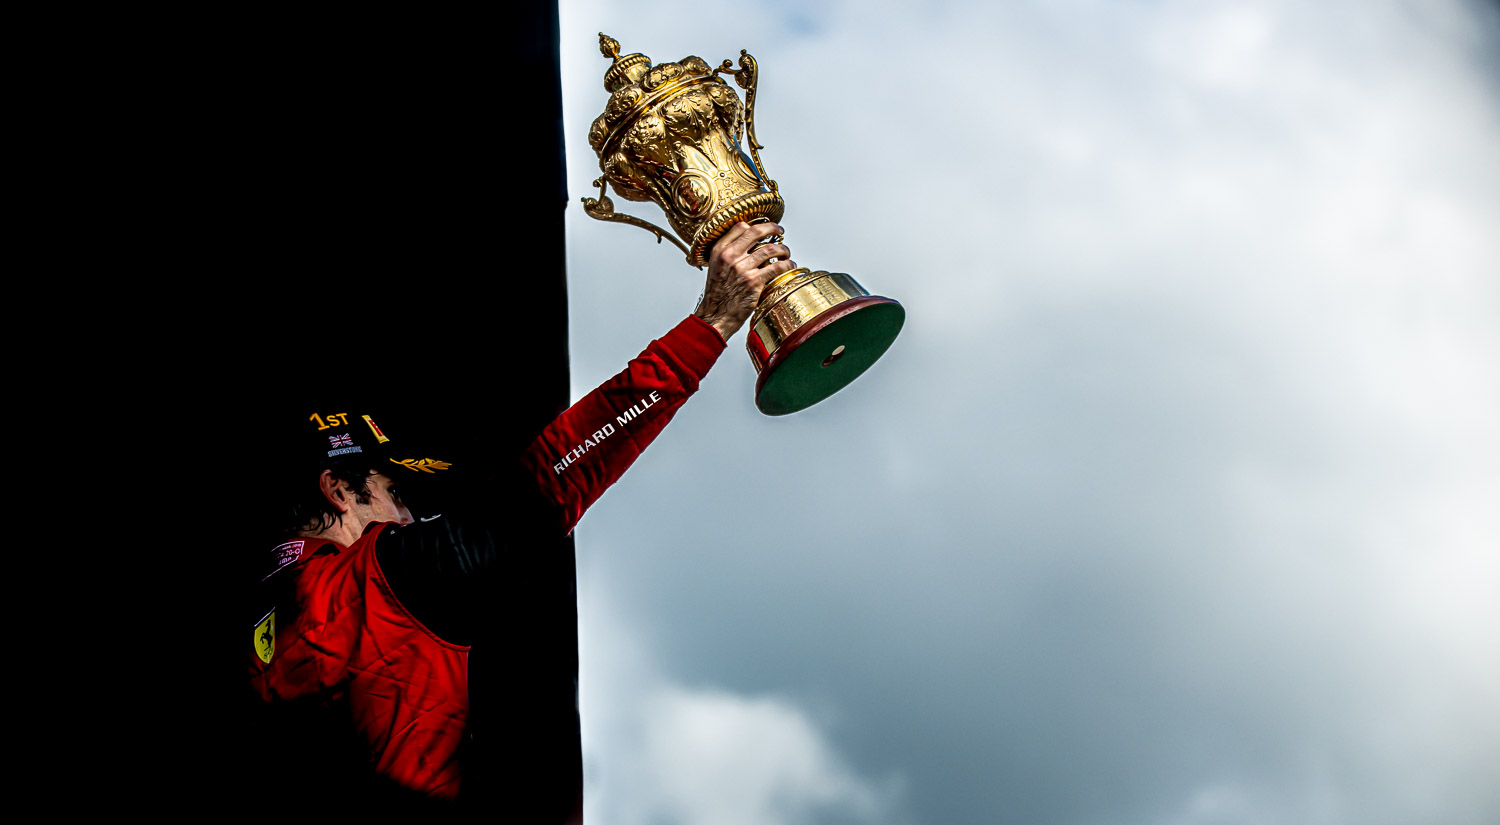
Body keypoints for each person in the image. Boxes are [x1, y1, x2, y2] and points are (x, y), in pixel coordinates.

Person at [246, 222, 794, 811]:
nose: (408, 518)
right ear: (338, 491)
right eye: (395, 494)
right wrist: (710, 325)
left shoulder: (274, 622)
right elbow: (555, 476)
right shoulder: (365, 589)